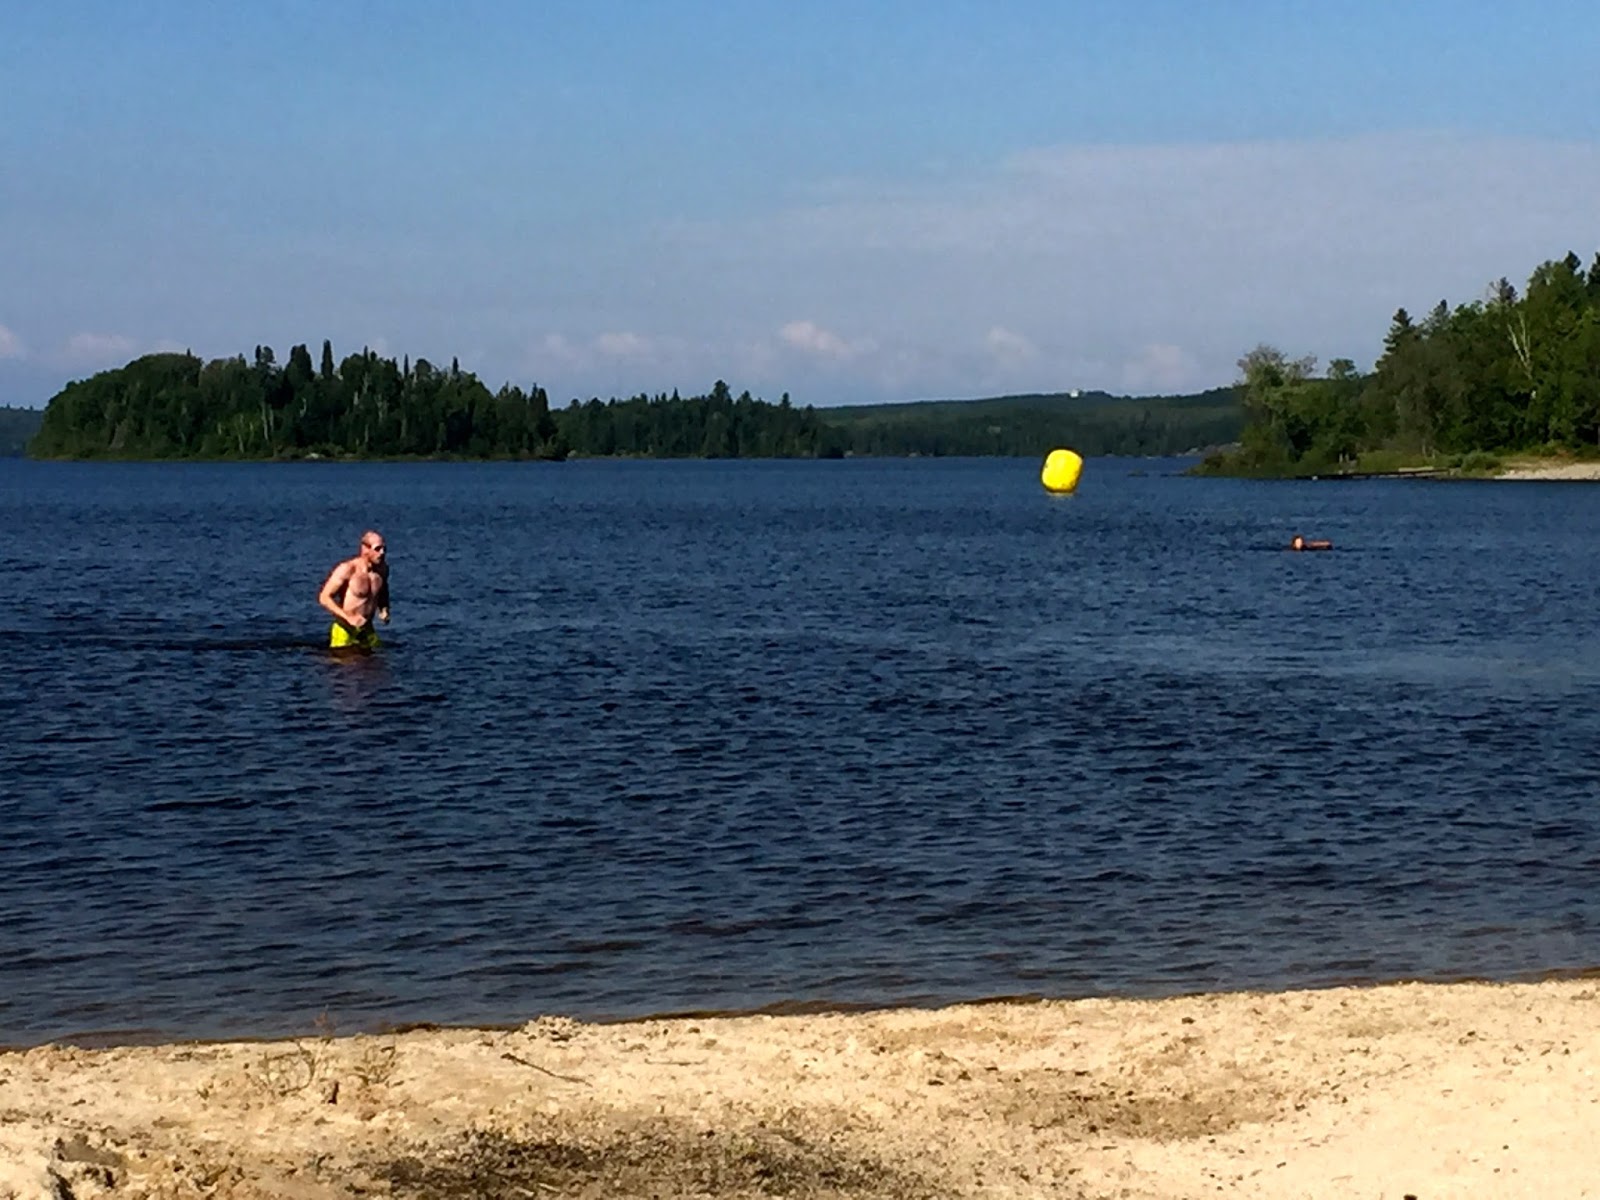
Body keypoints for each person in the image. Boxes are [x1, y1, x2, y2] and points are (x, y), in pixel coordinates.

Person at [319, 530, 390, 649]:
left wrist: (384, 609)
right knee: (346, 660)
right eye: (377, 549)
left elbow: (383, 590)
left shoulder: (382, 570)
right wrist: (348, 618)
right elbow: (324, 597)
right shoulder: (347, 569)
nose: (382, 553)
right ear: (365, 549)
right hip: (345, 629)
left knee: (378, 658)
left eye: (384, 549)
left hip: (367, 629)